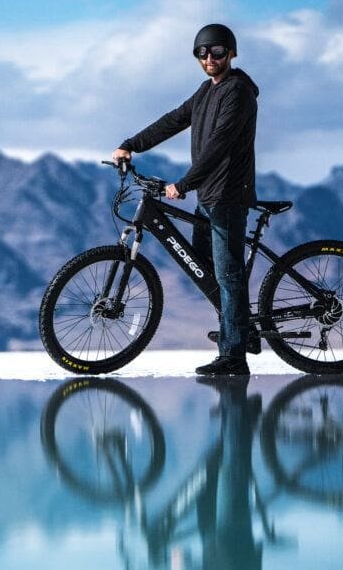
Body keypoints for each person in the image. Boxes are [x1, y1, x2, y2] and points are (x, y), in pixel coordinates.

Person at [111, 23, 259, 376]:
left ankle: (234, 356)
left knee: (227, 274)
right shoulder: (206, 91)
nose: (210, 58)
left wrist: (184, 184)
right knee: (206, 270)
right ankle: (238, 327)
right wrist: (131, 143)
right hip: (209, 194)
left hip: (228, 193)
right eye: (202, 53)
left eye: (217, 52)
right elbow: (173, 120)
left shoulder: (237, 91)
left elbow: (219, 144)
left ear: (231, 54)